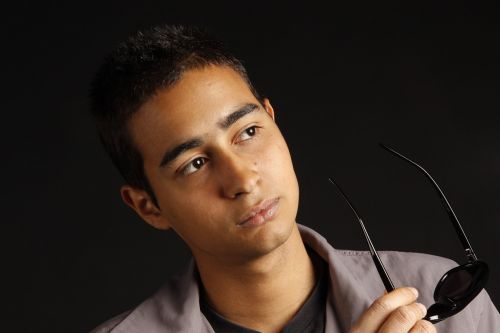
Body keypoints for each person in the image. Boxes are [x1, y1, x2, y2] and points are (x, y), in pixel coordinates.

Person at [89, 25, 499, 333]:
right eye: (194, 163)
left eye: (248, 133)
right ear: (148, 206)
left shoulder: (440, 298)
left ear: (272, 119)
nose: (242, 180)